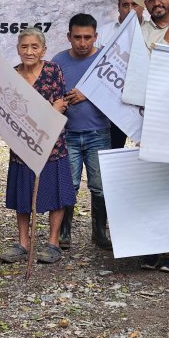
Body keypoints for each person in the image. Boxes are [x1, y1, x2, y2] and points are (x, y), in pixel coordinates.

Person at [0, 29, 75, 265]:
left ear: (43, 49)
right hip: (22, 145)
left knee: (55, 193)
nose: (29, 51)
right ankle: (23, 242)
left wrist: (53, 113)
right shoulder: (12, 76)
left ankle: (53, 242)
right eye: (24, 47)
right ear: (17, 49)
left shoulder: (53, 70)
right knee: (23, 194)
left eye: (34, 47)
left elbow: (61, 103)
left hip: (52, 143)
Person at [51, 14, 112, 251]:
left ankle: (99, 232)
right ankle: (64, 233)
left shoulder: (105, 59)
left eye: (88, 37)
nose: (83, 42)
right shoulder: (58, 61)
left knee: (99, 185)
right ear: (69, 37)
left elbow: (119, 93)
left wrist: (88, 93)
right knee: (70, 183)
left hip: (99, 131)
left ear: (96, 36)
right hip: (68, 133)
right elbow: (50, 93)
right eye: (77, 37)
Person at [110, 0, 143, 149]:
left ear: (142, 6)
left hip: (143, 106)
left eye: (134, 5)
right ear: (118, 7)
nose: (130, 10)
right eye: (125, 5)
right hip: (112, 106)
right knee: (112, 149)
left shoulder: (151, 32)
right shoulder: (104, 34)